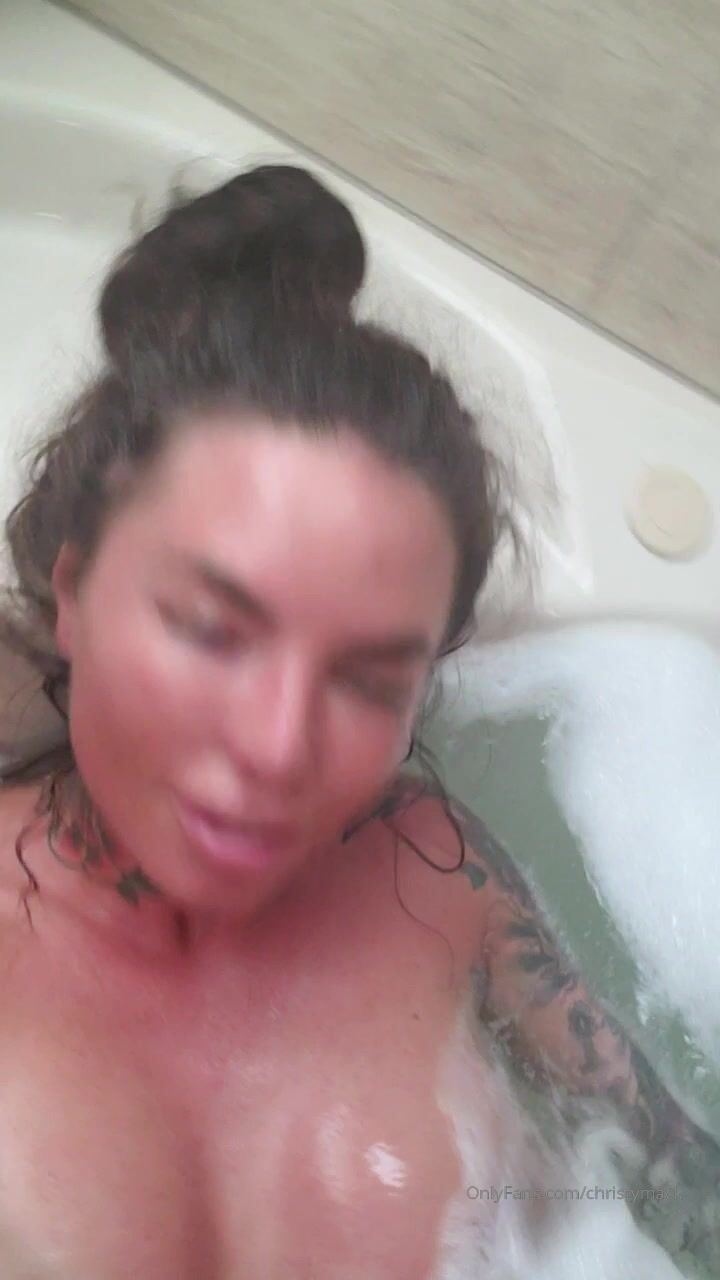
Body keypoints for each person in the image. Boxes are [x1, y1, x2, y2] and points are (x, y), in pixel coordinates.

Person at [0, 164, 715, 1279]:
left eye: (370, 679)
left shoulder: (443, 877)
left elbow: (681, 1180)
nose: (279, 747)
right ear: (76, 589)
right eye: (211, 628)